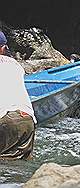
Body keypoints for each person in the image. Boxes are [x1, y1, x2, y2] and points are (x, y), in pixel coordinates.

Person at [0, 31, 37, 160]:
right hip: (28, 119)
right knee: (20, 165)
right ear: (4, 47)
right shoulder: (16, 65)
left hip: (6, 119)